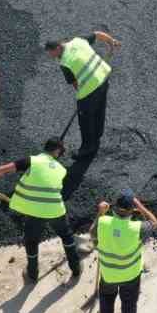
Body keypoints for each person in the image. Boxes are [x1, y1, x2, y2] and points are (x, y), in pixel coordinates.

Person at [0, 138, 82, 285]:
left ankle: (32, 274)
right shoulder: (62, 169)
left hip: (34, 211)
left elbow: (3, 170)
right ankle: (76, 268)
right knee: (66, 236)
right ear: (57, 151)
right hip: (55, 210)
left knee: (32, 241)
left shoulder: (32, 161)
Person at [43, 30, 123, 199]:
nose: (53, 57)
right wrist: (111, 42)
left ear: (58, 47)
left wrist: (82, 98)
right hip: (103, 78)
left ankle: (88, 149)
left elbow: (76, 84)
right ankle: (98, 134)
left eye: (53, 54)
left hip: (89, 90)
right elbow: (98, 34)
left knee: (86, 121)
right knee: (100, 109)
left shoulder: (64, 62)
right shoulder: (78, 40)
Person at [93, 191, 157, 313]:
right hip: (131, 275)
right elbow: (154, 223)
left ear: (114, 208)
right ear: (132, 211)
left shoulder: (103, 222)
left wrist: (100, 213)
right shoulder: (138, 228)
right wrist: (140, 205)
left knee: (106, 298)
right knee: (129, 303)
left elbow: (92, 235)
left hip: (108, 274)